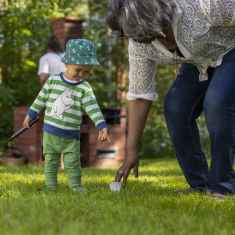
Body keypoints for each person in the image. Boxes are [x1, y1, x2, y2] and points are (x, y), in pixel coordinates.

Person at [106, 0, 235, 197]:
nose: (160, 39)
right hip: (199, 61)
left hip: (231, 51)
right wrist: (131, 150)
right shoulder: (139, 42)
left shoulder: (201, 6)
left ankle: (223, 186)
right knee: (176, 107)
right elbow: (140, 94)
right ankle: (199, 185)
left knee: (217, 102)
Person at [23, 39, 110, 192]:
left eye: (86, 71)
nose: (81, 75)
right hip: (51, 133)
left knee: (73, 163)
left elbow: (93, 108)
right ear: (66, 63)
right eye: (78, 70)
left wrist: (101, 125)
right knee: (51, 161)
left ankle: (76, 186)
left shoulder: (84, 87)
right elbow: (40, 98)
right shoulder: (53, 81)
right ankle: (50, 187)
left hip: (71, 136)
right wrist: (31, 114)